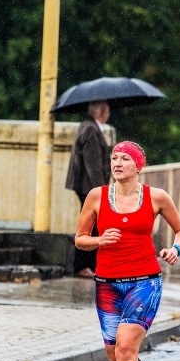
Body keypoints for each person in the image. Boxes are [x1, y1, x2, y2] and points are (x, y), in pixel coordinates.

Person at [74, 141, 180, 361]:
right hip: (107, 284)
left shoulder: (156, 197)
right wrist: (99, 240)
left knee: (126, 349)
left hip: (144, 282)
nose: (118, 163)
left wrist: (175, 249)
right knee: (116, 357)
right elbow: (80, 239)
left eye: (125, 158)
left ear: (139, 166)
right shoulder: (97, 196)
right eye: (114, 157)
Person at [66, 100, 111, 278]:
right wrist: (101, 191)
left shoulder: (87, 127)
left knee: (92, 225)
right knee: (90, 226)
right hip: (88, 187)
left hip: (86, 186)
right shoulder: (91, 130)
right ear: (101, 112)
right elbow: (93, 165)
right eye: (107, 111)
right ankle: (82, 265)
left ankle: (89, 264)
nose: (108, 115)